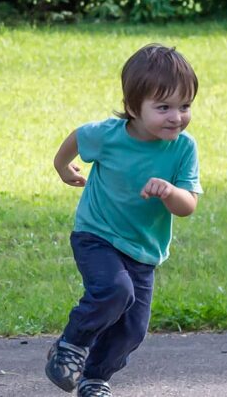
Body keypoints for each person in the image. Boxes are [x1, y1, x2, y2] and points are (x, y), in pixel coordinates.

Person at [45, 43, 203, 397]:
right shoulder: (109, 135)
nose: (176, 117)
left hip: (143, 249)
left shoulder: (184, 148)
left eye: (185, 106)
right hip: (96, 234)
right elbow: (78, 136)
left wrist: (168, 192)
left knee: (133, 328)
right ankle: (71, 345)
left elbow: (188, 205)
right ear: (133, 107)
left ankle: (94, 377)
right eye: (163, 107)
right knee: (115, 291)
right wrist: (61, 166)